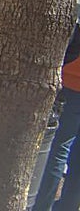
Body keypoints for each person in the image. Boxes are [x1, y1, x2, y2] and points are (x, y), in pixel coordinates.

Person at [31, 18, 80, 211]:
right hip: (71, 81)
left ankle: (41, 206)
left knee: (57, 147)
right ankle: (67, 206)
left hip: (71, 81)